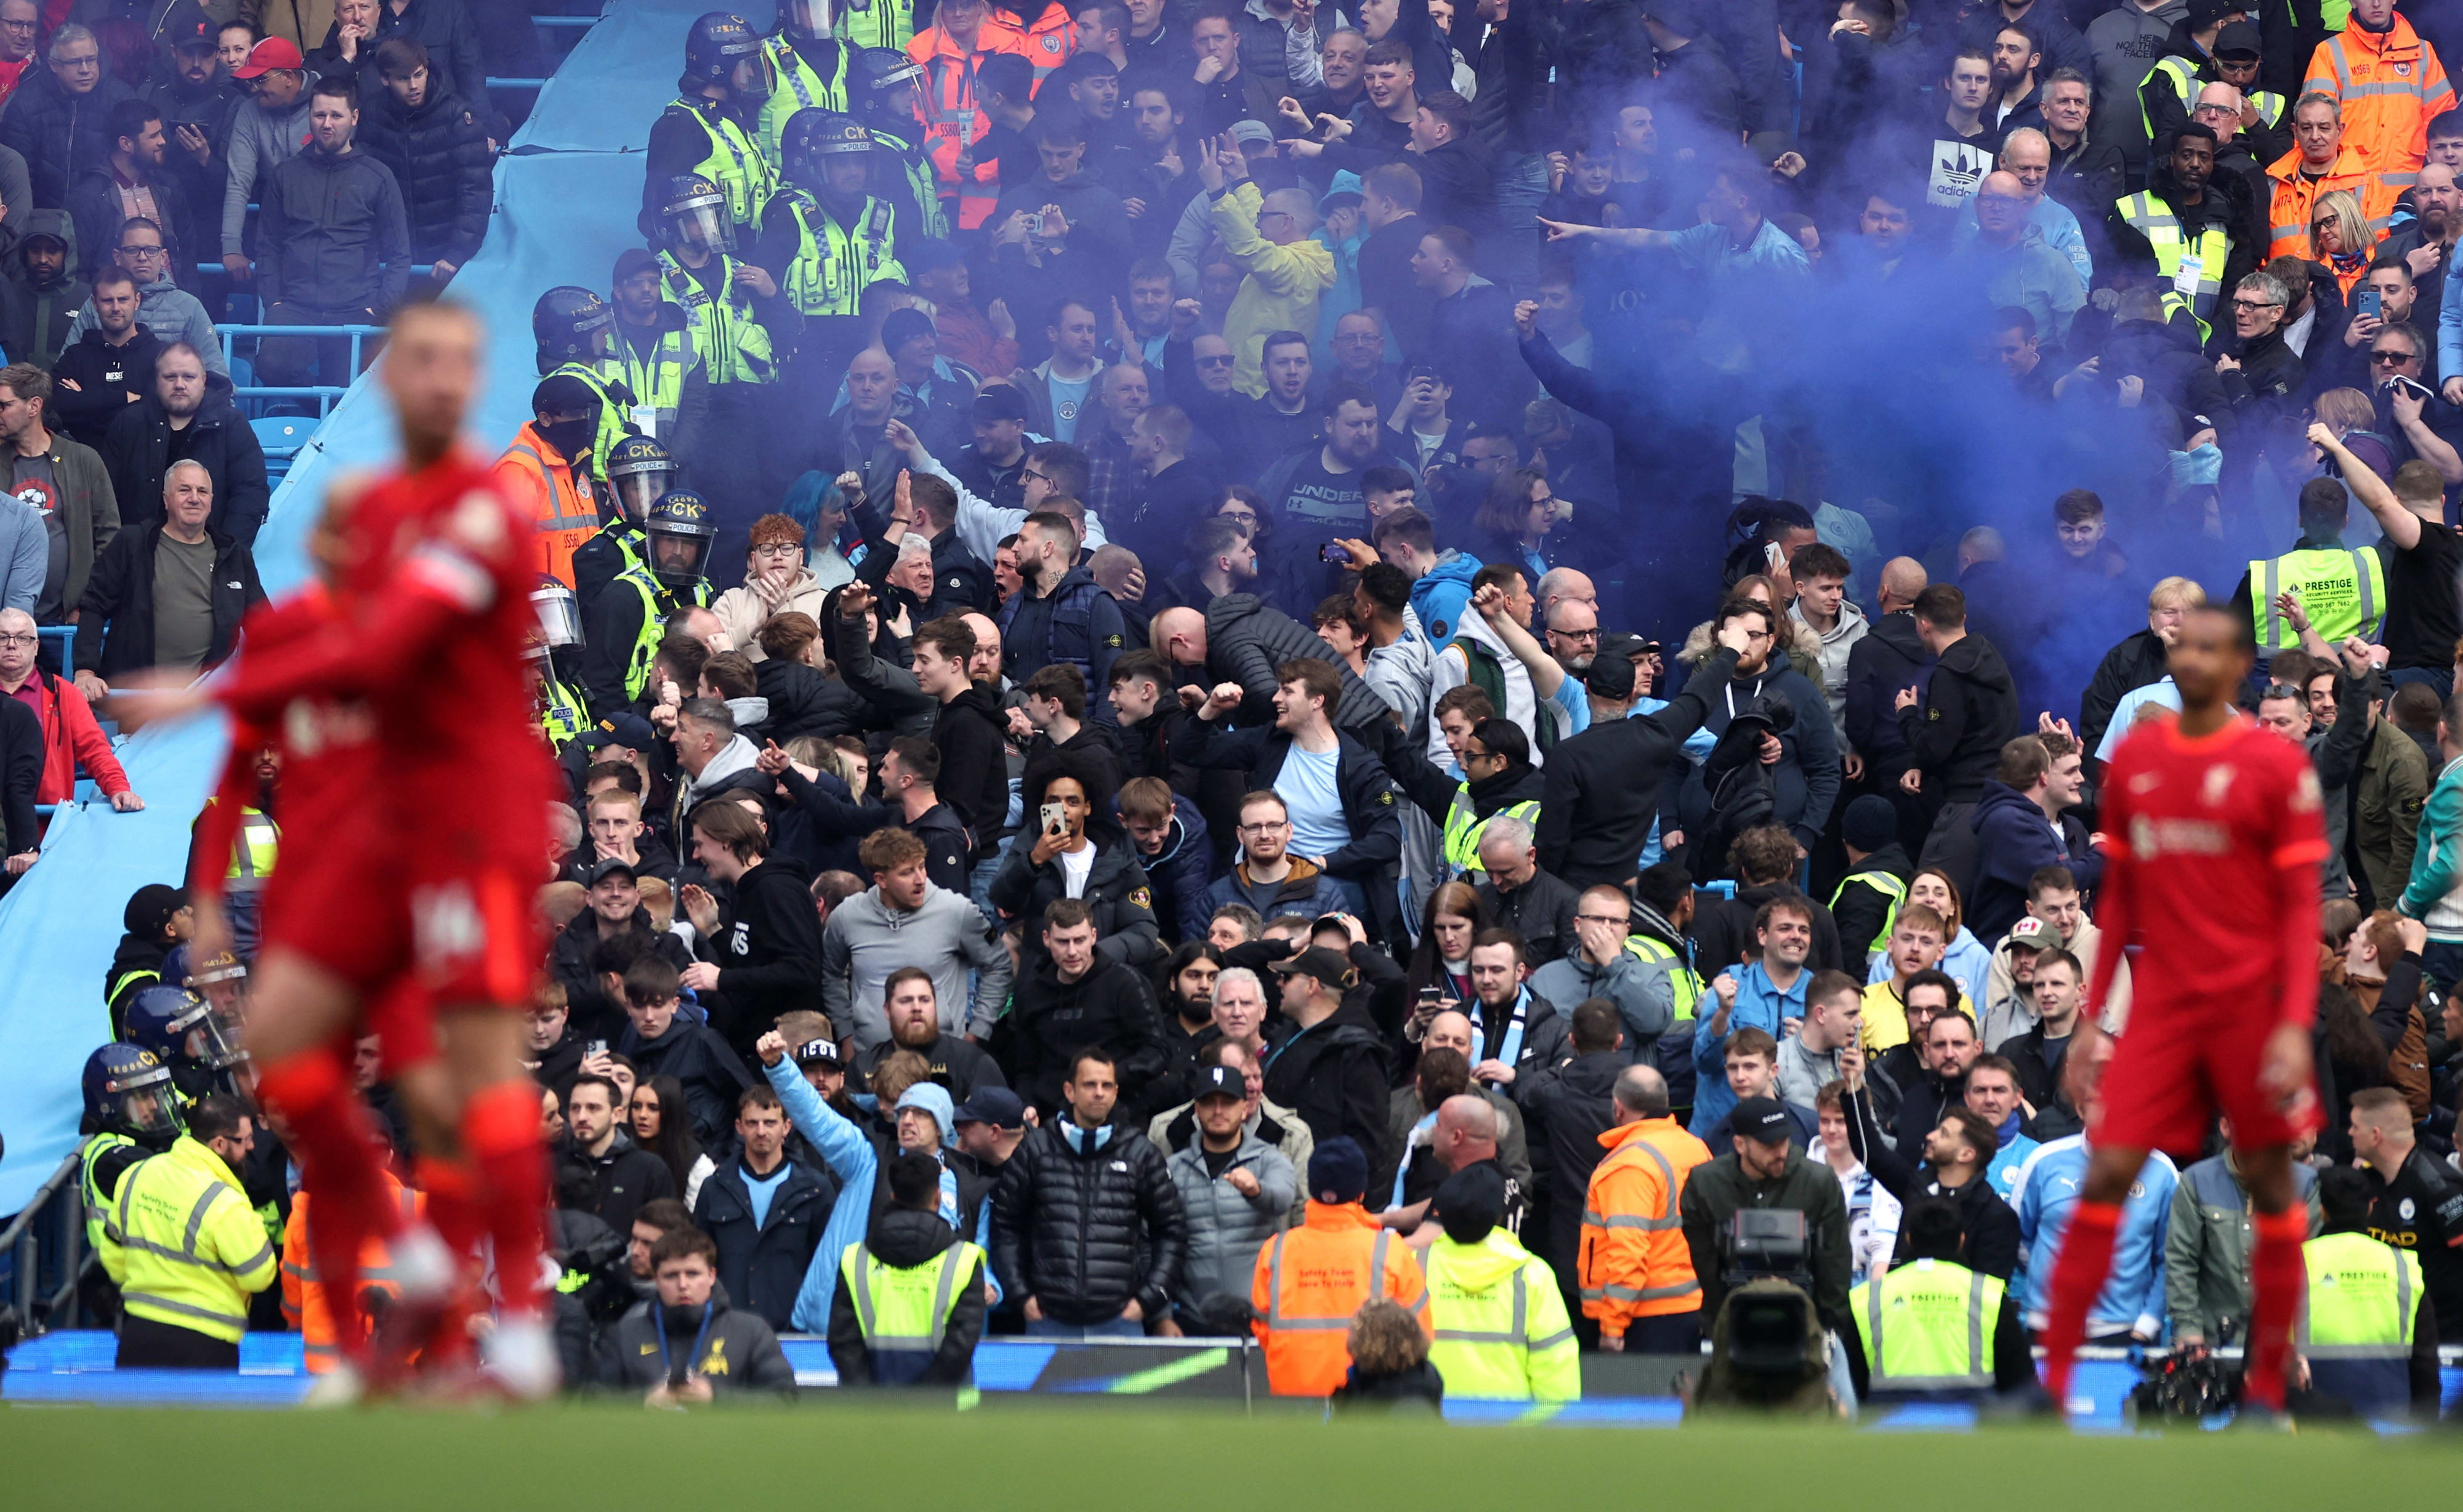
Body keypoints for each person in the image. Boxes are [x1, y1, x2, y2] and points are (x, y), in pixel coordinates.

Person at [2033, 598, 2325, 1418]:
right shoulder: (2140, 763)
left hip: (2245, 1006)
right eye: (2184, 647)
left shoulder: (2277, 770)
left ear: (2239, 670)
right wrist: (2093, 1023)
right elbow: (2122, 898)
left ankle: (2267, 1390)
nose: (2194, 662)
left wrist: (2294, 1028)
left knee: (2271, 1190)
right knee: (2106, 1176)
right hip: (2163, 1004)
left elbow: (2302, 907)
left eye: (2212, 650)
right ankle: (2051, 1387)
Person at [990, 1047, 1187, 1337]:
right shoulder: (1036, 1149)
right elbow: (1005, 1225)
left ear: (1116, 1092)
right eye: (1089, 1085)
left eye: (1107, 1085)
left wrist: (1148, 1300)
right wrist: (1022, 1296)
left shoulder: (1140, 1153)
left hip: (1120, 1320)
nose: (1099, 1093)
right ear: (1069, 1091)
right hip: (1047, 1318)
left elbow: (1172, 1230)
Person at [252, 77, 411, 390]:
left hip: (355, 309)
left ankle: (323, 424)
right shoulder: (286, 174)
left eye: (336, 116)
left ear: (354, 118)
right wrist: (274, 302)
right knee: (270, 369)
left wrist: (379, 309)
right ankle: (316, 418)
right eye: (319, 115)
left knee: (347, 393)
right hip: (294, 307)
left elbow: (399, 255)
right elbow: (267, 246)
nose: (327, 124)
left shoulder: (378, 176)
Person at [98, 1093, 275, 1368]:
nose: (252, 1147)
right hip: (206, 1347)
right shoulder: (224, 1202)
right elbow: (258, 1276)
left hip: (137, 1336)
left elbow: (113, 1255)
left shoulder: (136, 1175)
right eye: (245, 1140)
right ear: (219, 1144)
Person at [1251, 1136, 1429, 1394]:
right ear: (1361, 1192)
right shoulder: (1390, 1250)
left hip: (1293, 1399)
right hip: (1368, 1397)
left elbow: (1261, 1328)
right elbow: (1419, 1331)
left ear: (1312, 1189)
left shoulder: (1275, 1250)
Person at [1678, 1095, 1852, 1341]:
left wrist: (1831, 1332)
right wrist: (1719, 1327)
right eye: (1769, 1145)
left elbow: (1835, 1264)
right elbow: (1706, 1266)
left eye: (1784, 1141)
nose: (1780, 1152)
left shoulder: (1818, 1182)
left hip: (1805, 1323)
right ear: (1740, 1144)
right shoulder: (1705, 1184)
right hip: (1731, 1322)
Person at [1842, 1196, 2033, 1404]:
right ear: (1961, 1240)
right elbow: (2020, 1384)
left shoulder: (1866, 1298)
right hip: (1972, 1424)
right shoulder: (1990, 1295)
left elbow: (1852, 1381)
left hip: (1889, 1424)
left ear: (1909, 1239)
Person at [828, 1149, 991, 1387]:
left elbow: (843, 1341)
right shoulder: (964, 1259)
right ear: (938, 1197)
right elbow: (962, 1344)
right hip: (945, 1411)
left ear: (893, 1196)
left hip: (871, 1411)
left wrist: (867, 1401)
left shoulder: (855, 1259)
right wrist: (925, 1401)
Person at [1579, 1063, 1711, 1353]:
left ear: (1618, 1108)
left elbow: (1629, 1253)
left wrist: (1613, 1326)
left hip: (1643, 1319)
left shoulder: (1628, 1165)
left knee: (1640, 1399)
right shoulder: (1695, 1147)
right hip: (1690, 1307)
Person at [1897, 584, 2020, 892]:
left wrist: (1908, 716)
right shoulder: (1992, 660)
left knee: (1930, 890)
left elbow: (1935, 746)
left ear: (1923, 624)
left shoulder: (1949, 676)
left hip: (1966, 804)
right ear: (1963, 617)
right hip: (2003, 795)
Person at [1419, 1161, 1577, 1401]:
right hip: (1511, 1430)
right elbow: (1556, 1369)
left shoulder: (1412, 1267)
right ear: (1499, 1216)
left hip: (1430, 1426)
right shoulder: (1532, 1275)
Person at [2294, 1163, 2441, 1418]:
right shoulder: (2402, 1265)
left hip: (2311, 1426)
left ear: (2322, 1210)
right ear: (2371, 1207)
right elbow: (2425, 1363)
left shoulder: (2294, 1264)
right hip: (2390, 1429)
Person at [1004, 896, 1172, 1116]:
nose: (1072, 952)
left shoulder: (1126, 983)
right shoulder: (1032, 994)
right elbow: (1026, 1068)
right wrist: (1029, 1104)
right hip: (1052, 1116)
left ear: (1094, 936)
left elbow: (1157, 1052)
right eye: (1063, 942)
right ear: (1046, 939)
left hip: (1118, 1111)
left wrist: (1107, 1078)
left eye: (1079, 940)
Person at [2166, 1119, 2322, 1349]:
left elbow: (2310, 1267)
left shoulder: (2305, 1184)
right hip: (2212, 1342)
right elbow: (2181, 1262)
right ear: (2226, 1127)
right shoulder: (2197, 1181)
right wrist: (2189, 1330)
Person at [592, 1226, 797, 1400]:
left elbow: (784, 1398)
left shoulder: (751, 1331)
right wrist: (642, 1402)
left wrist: (716, 1398)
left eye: (692, 1274)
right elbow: (594, 1402)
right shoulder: (624, 1335)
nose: (683, 1285)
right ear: (655, 1280)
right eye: (671, 1276)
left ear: (711, 1275)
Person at [691, 1084, 834, 1332]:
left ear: (786, 1127)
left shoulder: (815, 1191)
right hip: (726, 1328)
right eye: (752, 1123)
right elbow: (698, 1260)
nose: (761, 1131)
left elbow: (827, 1268)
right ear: (739, 1127)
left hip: (795, 1330)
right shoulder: (715, 1188)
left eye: (770, 1123)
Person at [1166, 1062, 1298, 1321]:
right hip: (1192, 1319)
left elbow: (1283, 1199)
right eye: (1208, 1102)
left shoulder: (1268, 1159)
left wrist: (1257, 1190)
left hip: (1258, 1317)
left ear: (1245, 1108)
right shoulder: (1174, 1168)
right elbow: (1156, 1244)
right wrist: (1163, 1316)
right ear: (1197, 1110)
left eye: (1227, 1102)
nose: (1218, 1111)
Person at [100, 341, 269, 544]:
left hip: (210, 557)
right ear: (157, 380)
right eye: (170, 377)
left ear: (204, 380)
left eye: (189, 377)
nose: (180, 384)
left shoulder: (232, 425)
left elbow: (250, 494)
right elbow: (106, 497)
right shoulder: (128, 423)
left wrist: (226, 553)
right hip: (138, 558)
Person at [0, 361, 119, 634]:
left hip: (65, 621)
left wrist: (86, 606)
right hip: (5, 628)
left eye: (4, 405)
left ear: (34, 406)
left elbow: (109, 538)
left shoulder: (84, 459)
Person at [2347, 1087, 2463, 1340]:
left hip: (2444, 1339)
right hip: (2389, 1330)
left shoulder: (2438, 1185)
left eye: (2355, 1127)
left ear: (2375, 1136)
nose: (2350, 1133)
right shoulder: (2366, 1182)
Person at [0, 606, 134, 811]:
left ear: (36, 647)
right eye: (3, 638)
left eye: (22, 638)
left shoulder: (65, 694)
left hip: (46, 824)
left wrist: (118, 788)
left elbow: (95, 750)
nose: (11, 645)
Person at [562, 1071, 678, 1241]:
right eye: (575, 1108)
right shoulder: (551, 1166)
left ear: (616, 1114)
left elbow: (667, 1239)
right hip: (565, 1267)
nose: (582, 1117)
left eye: (593, 1108)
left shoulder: (649, 1169)